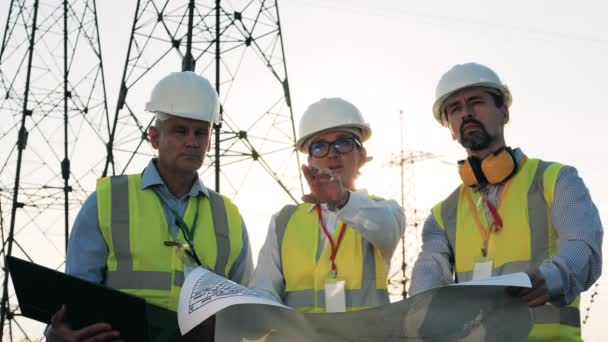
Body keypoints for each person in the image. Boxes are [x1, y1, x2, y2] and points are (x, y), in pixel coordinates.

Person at [47, 71, 254, 341]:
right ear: (154, 137)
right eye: (180, 130)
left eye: (201, 133)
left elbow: (247, 312)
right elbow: (76, 299)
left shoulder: (229, 216)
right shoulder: (107, 201)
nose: (192, 141)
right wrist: (57, 333)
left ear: (209, 141)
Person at [409, 62, 603, 340]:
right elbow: (427, 282)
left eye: (476, 102)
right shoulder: (442, 214)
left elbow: (583, 245)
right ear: (450, 127)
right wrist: (417, 315)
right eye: (454, 108)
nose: (466, 113)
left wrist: (552, 277)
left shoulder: (555, 179)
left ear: (504, 112)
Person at [252, 97, 405, 312]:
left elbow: (387, 230)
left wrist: (342, 200)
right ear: (310, 162)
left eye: (343, 142)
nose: (332, 153)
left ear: (361, 155)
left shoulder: (385, 211)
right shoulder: (283, 222)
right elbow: (263, 291)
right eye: (320, 147)